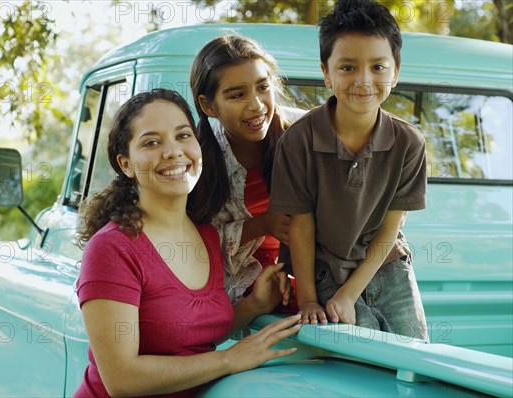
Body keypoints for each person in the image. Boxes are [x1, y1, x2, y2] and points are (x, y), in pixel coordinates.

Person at [75, 88, 301, 398]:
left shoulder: (206, 236)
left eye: (183, 136)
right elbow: (121, 378)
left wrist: (254, 306)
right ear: (125, 164)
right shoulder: (112, 248)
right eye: (152, 142)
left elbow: (186, 335)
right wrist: (229, 359)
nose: (172, 152)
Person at [269, 0, 428, 340]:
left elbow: (390, 230)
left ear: (395, 71)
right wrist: (309, 299)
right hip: (324, 268)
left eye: (378, 67)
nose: (363, 80)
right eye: (347, 68)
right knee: (358, 354)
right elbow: (300, 226)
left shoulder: (409, 143)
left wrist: (351, 293)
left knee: (415, 357)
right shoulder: (297, 142)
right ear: (326, 73)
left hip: (387, 266)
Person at [189, 34, 304, 306]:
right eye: (237, 95)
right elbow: (188, 244)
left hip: (303, 279)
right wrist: (263, 225)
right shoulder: (196, 158)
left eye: (263, 87)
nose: (256, 104)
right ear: (208, 106)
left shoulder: (302, 135)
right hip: (234, 291)